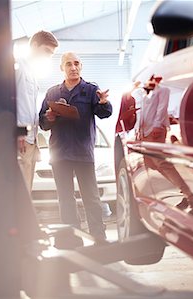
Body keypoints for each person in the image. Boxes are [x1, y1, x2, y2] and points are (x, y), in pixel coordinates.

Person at [39, 52, 112, 243]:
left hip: (82, 152)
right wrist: (49, 117)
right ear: (62, 68)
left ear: (81, 66)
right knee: (65, 199)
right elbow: (42, 123)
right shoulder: (52, 93)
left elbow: (104, 113)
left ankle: (98, 236)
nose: (73, 67)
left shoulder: (90, 90)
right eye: (69, 64)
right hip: (59, 152)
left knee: (91, 197)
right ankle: (70, 238)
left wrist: (104, 102)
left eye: (77, 63)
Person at [131, 76, 193, 213]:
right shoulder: (141, 93)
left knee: (162, 164)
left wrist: (157, 126)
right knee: (152, 164)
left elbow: (162, 108)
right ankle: (187, 193)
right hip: (144, 132)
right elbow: (140, 112)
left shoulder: (163, 90)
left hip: (155, 130)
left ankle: (192, 198)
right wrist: (138, 131)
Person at [16, 30, 58, 190]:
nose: (48, 57)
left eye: (51, 54)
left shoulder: (32, 73)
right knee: (19, 191)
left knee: (27, 189)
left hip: (31, 140)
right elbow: (11, 101)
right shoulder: (17, 66)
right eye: (46, 51)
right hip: (21, 138)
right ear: (34, 45)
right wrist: (18, 132)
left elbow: (28, 106)